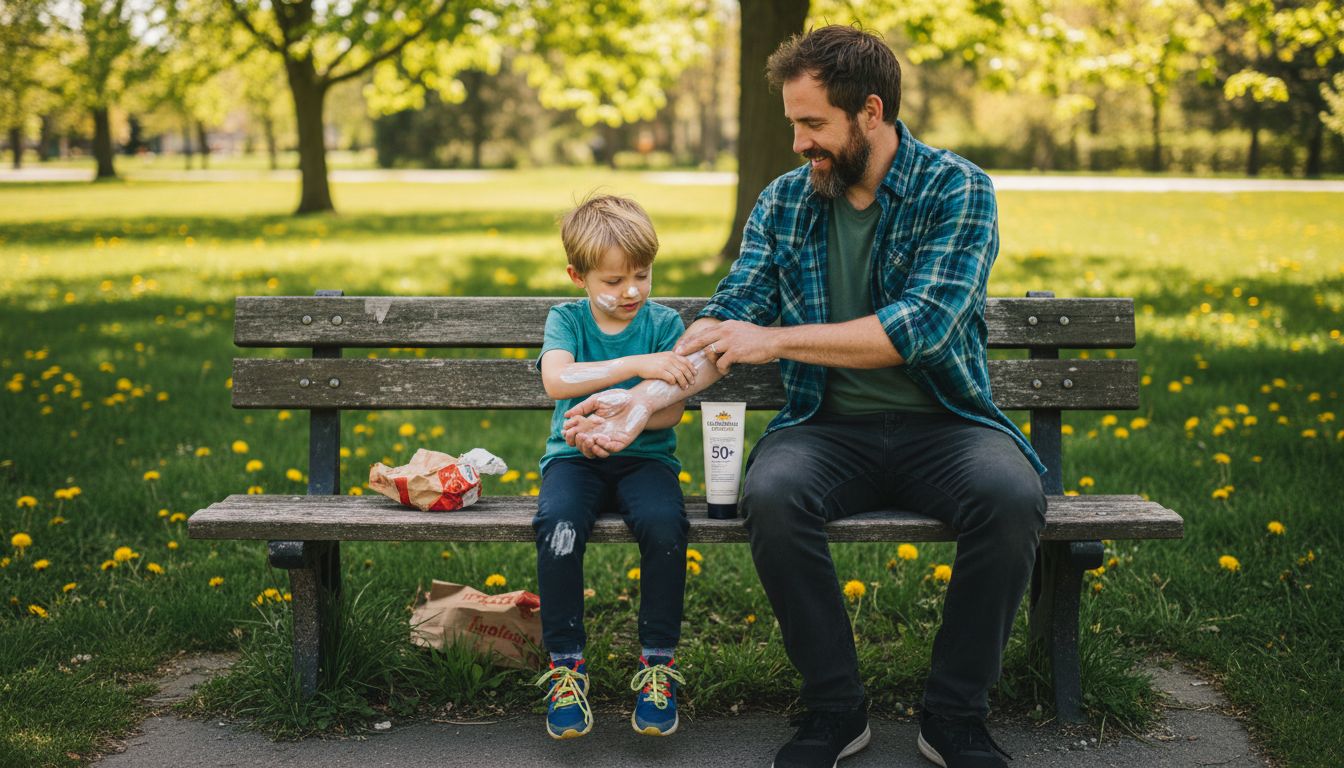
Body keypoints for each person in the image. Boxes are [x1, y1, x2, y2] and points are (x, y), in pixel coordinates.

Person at [561, 26, 1047, 768]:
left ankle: (955, 715)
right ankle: (833, 710)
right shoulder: (786, 203)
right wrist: (641, 398)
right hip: (826, 426)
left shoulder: (958, 189)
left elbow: (922, 327)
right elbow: (726, 322)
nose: (797, 142)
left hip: (945, 425)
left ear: (871, 112)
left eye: (813, 123)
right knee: (775, 492)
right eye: (792, 122)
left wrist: (779, 340)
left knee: (1012, 496)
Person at [532, 193, 694, 740]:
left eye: (642, 275)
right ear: (578, 276)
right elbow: (558, 379)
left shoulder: (665, 323)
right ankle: (566, 668)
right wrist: (633, 365)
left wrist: (632, 417)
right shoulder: (567, 319)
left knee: (666, 525)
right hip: (573, 460)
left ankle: (657, 665)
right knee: (557, 527)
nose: (631, 291)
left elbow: (670, 408)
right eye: (613, 280)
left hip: (646, 461)